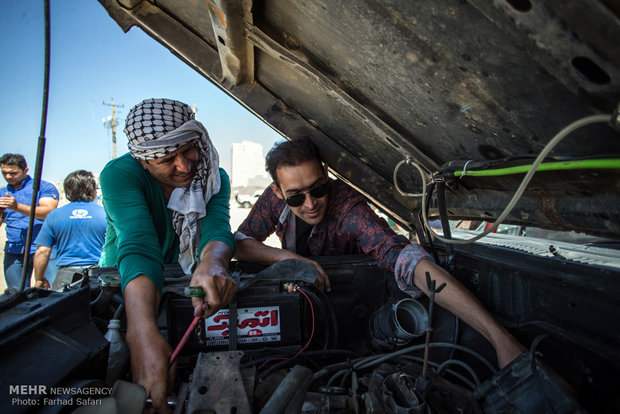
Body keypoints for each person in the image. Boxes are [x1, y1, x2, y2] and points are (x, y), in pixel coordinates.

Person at [235, 137, 525, 369]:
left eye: (318, 189)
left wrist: (499, 338)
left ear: (326, 173)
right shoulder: (274, 202)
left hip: (352, 311)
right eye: (296, 196)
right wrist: (290, 260)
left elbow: (406, 260)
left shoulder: (348, 208)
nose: (310, 203)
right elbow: (240, 243)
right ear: (277, 191)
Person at [98, 98, 236, 412]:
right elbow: (138, 244)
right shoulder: (120, 175)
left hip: (177, 282)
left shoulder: (214, 177)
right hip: (127, 286)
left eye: (189, 150)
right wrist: (140, 334)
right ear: (143, 162)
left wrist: (211, 261)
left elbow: (216, 229)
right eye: (167, 159)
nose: (185, 166)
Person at [33, 170, 107, 290]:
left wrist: (39, 278)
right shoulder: (105, 214)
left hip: (66, 277)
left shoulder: (54, 216)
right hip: (99, 275)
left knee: (65, 307)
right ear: (93, 191)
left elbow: (42, 251)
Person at [0, 153, 59, 291]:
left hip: (43, 248)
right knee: (16, 294)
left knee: (54, 291)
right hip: (14, 250)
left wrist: (16, 207)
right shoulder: (2, 193)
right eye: (4, 173)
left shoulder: (43, 187)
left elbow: (48, 212)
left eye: (13, 173)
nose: (8, 177)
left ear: (25, 170)